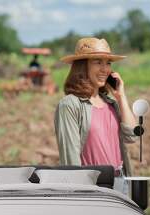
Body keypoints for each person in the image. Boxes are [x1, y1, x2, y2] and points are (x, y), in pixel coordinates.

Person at [54, 37, 137, 196]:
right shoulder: (70, 105)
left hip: (121, 183)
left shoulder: (111, 103)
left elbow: (132, 135)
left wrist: (121, 96)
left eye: (108, 63)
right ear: (82, 66)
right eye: (98, 62)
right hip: (93, 186)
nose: (105, 69)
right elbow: (70, 157)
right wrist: (80, 195)